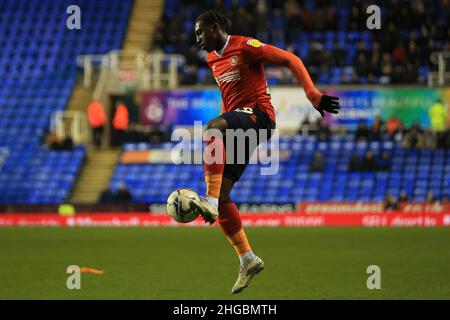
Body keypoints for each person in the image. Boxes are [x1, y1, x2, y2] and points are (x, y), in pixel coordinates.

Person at [191, 10, 340, 294]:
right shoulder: (212, 59)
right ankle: (247, 258)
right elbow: (229, 98)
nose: (197, 40)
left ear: (216, 27)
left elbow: (290, 59)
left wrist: (312, 94)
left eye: (200, 33)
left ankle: (207, 199)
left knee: (212, 128)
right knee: (224, 199)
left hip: (260, 116)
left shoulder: (245, 46)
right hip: (239, 124)